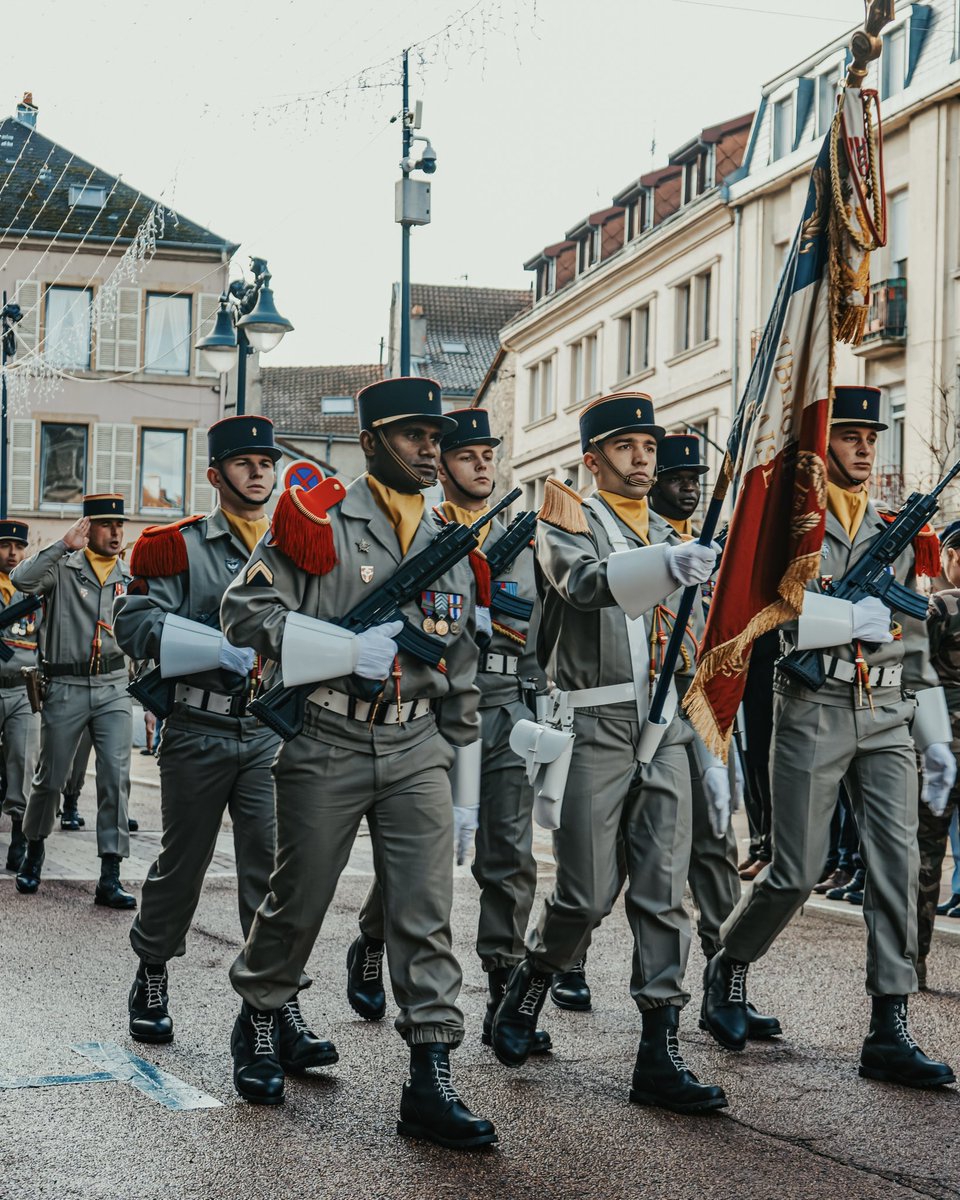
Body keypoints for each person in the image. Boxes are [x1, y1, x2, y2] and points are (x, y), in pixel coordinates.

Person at [220, 377, 497, 1148]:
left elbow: (464, 662)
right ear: (372, 441)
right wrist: (345, 648)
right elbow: (246, 611)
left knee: (425, 912)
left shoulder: (448, 534)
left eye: (434, 437)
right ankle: (261, 1017)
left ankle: (431, 1075)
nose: (429, 450)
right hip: (328, 737)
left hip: (417, 745)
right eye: (412, 436)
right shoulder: (316, 521)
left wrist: (465, 782)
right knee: (298, 901)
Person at [700, 385, 956, 1089]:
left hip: (887, 715)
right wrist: (845, 623)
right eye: (849, 435)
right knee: (795, 868)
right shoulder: (790, 526)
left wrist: (933, 735)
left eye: (872, 437)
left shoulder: (897, 529)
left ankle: (888, 1024)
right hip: (812, 705)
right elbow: (761, 607)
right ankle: (729, 965)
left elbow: (911, 640)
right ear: (822, 446)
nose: (866, 447)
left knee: (897, 869)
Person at [491, 392, 726, 1114]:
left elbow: (690, 645)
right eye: (626, 448)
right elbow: (585, 586)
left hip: (666, 725)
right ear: (593, 460)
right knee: (587, 894)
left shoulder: (668, 529)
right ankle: (533, 979)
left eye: (649, 448)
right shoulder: (568, 518)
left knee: (662, 892)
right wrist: (665, 562)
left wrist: (711, 746)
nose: (642, 459)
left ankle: (659, 1051)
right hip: (593, 725)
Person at [346, 407, 552, 1053]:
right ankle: (374, 941)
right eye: (467, 455)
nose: (481, 464)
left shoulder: (525, 541)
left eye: (489, 453)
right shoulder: (424, 535)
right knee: (423, 860)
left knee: (508, 857)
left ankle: (502, 986)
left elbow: (542, 632)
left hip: (506, 711)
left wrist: (541, 704)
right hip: (436, 710)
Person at [113, 416, 287, 1051]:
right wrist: (214, 645)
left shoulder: (295, 545)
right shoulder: (177, 546)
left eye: (266, 463)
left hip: (268, 728)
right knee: (182, 864)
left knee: (271, 871)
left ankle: (274, 1001)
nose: (258, 473)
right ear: (217, 476)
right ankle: (153, 970)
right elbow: (133, 624)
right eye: (244, 463)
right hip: (199, 725)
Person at [648, 435, 781, 1043]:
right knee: (611, 867)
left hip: (702, 706)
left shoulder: (719, 549)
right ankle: (558, 965)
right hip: (643, 706)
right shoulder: (643, 540)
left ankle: (724, 983)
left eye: (694, 475)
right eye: (677, 476)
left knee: (713, 849)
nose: (689, 484)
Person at [13, 494, 135, 908]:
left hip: (114, 686)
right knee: (50, 777)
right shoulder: (63, 568)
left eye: (120, 525)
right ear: (88, 528)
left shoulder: (129, 574)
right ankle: (34, 850)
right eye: (106, 525)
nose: (116, 532)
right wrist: (62, 544)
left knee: (115, 780)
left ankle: (110, 873)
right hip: (66, 687)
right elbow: (22, 579)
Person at [916, 521, 960, 987]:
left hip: (941, 744)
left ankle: (913, 964)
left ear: (951, 556)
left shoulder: (941, 606)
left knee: (926, 855)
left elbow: (915, 670)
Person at [0, 520, 41, 873]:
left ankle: (19, 836)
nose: (13, 554)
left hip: (22, 690)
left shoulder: (32, 593)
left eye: (18, 547)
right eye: (5, 546)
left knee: (22, 761)